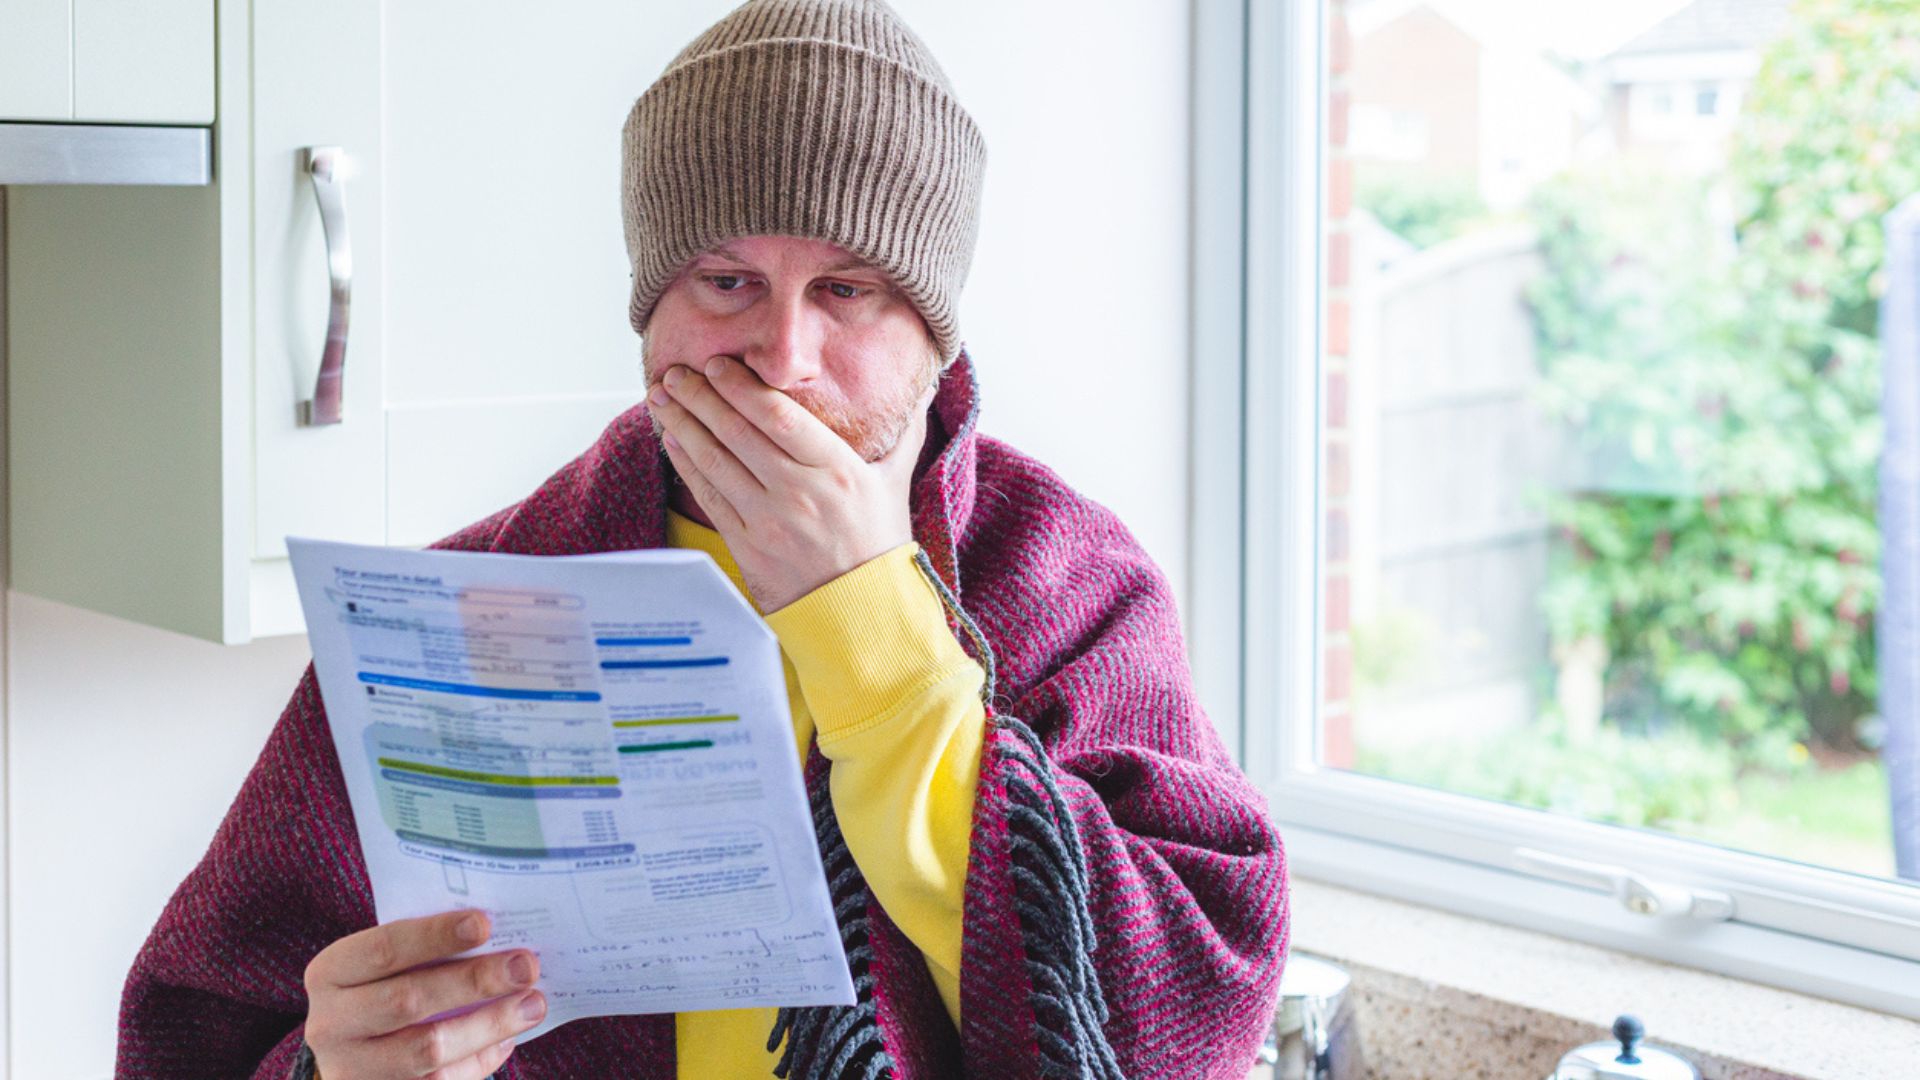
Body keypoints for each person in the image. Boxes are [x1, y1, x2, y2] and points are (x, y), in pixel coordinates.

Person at [115, 1, 1291, 1077]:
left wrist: (871, 625)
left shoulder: (1069, 585)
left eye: (850, 290)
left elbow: (1192, 1014)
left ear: (935, 331)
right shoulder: (465, 609)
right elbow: (192, 1034)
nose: (782, 357)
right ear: (651, 306)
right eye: (728, 281)